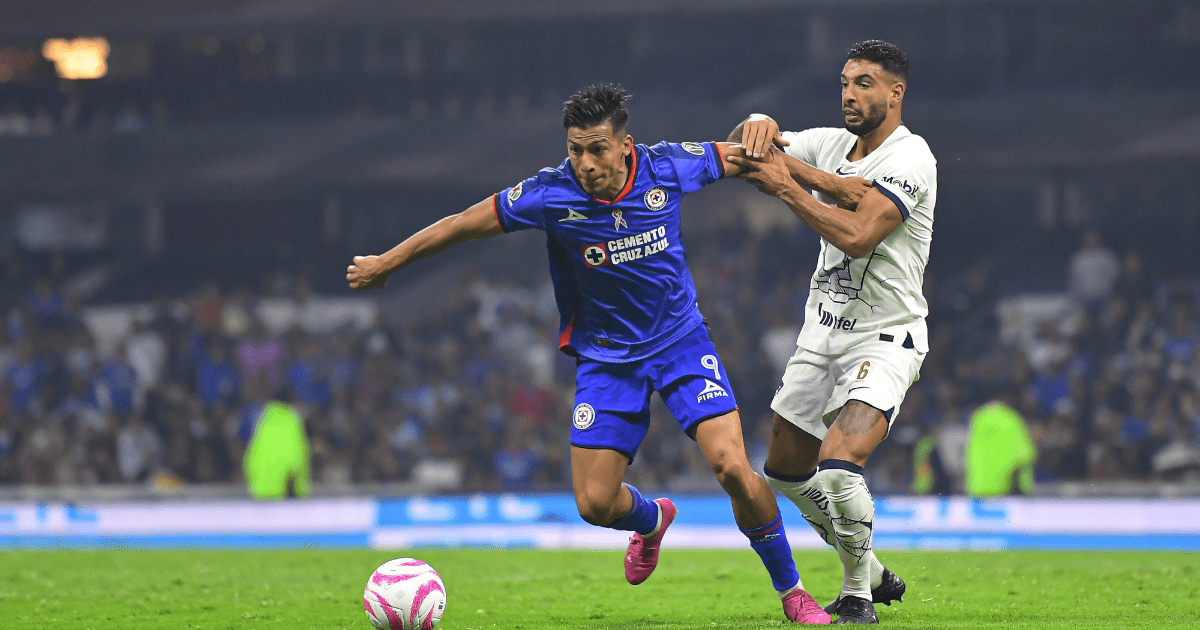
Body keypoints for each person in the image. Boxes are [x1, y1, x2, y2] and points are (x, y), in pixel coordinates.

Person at [347, 85, 867, 625]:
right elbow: (460, 225)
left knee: (732, 466)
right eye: (576, 149)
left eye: (597, 148)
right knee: (594, 504)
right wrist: (388, 262)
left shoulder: (666, 165)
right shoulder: (549, 195)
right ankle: (650, 521)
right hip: (607, 359)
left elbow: (753, 156)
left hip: (680, 343)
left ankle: (793, 592)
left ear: (625, 145)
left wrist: (834, 185)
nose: (586, 163)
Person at [727, 40, 936, 624]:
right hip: (821, 332)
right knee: (786, 472)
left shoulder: (911, 158)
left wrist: (791, 186)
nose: (850, 93)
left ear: (896, 92)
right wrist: (760, 123)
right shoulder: (829, 143)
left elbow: (857, 235)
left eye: (865, 83)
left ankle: (855, 595)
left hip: (886, 334)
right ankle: (870, 567)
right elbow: (747, 142)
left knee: (841, 461)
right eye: (846, 81)